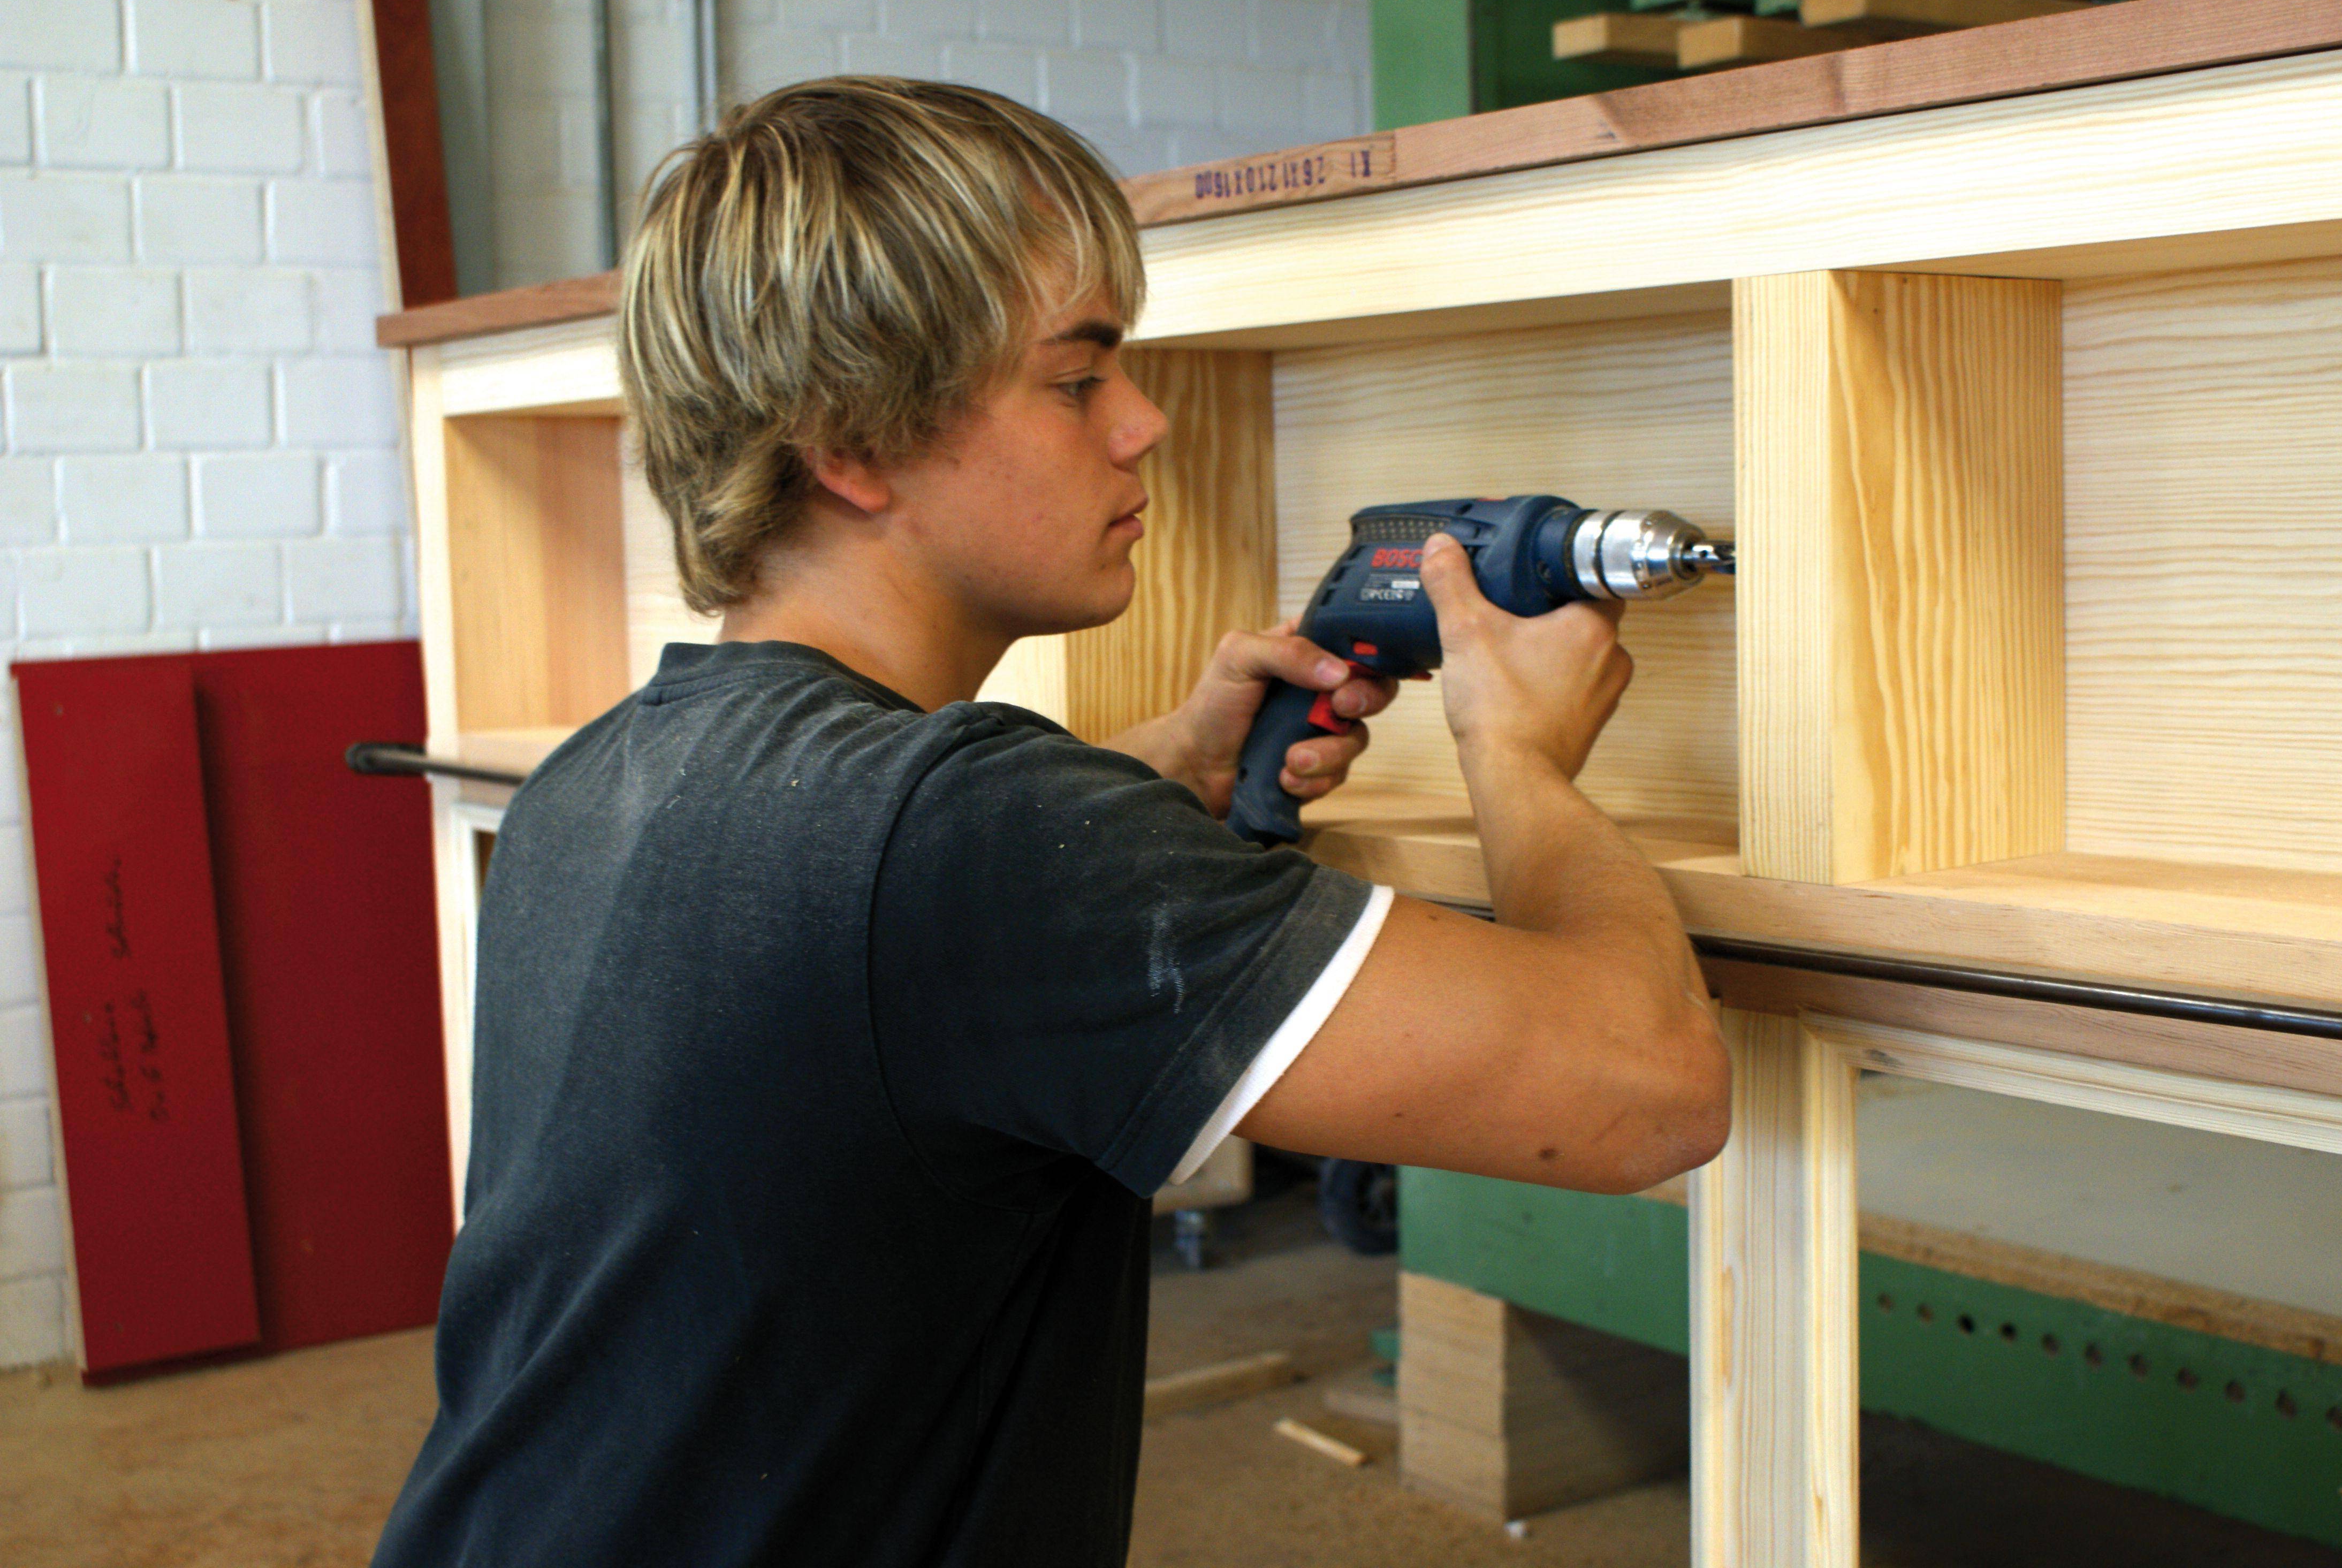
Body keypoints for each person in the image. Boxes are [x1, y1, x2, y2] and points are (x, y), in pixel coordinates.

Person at [370, 78, 1729, 1568]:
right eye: (1078, 379)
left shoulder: (601, 783)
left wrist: (1155, 779)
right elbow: (1646, 1087)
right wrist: (1520, 758)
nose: (1143, 424)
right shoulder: (980, 843)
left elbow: (876, 937)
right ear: (853, 442)